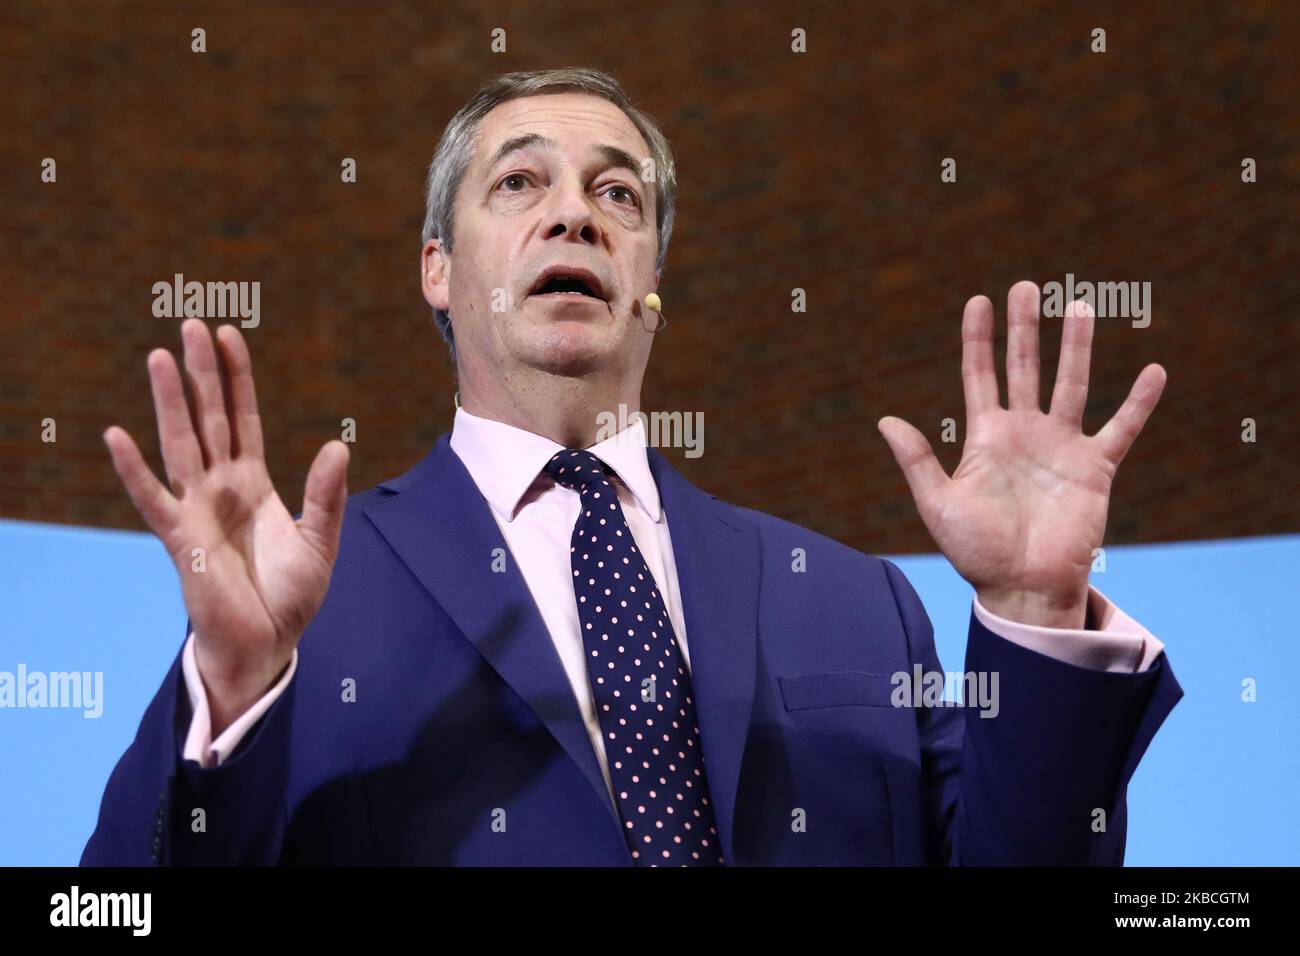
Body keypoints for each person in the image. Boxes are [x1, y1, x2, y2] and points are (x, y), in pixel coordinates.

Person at [82, 68, 1181, 866]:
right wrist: (230, 691)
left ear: (653, 271)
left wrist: (1037, 610)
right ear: (436, 266)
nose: (575, 211)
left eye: (620, 195)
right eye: (518, 182)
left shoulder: (860, 604)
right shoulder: (301, 606)